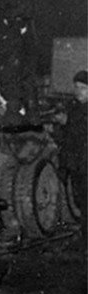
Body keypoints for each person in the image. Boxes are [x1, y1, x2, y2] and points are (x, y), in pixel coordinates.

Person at [58, 70, 88, 245]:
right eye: (76, 87)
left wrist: (67, 121)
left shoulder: (79, 111)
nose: (78, 91)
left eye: (83, 88)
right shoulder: (75, 108)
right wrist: (64, 166)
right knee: (81, 202)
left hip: (85, 164)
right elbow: (68, 141)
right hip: (78, 166)